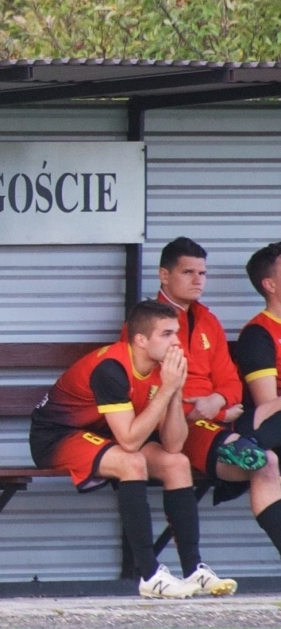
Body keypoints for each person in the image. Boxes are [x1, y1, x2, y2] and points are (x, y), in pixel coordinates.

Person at [30, 301, 231, 598]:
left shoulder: (162, 368)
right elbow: (129, 442)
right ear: (140, 340)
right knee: (132, 461)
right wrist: (166, 389)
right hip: (58, 436)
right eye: (166, 334)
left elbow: (174, 444)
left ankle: (193, 569)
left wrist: (175, 391)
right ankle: (149, 575)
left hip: (108, 433)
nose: (176, 342)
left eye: (176, 333)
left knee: (176, 463)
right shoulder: (111, 368)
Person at [123, 237, 265, 486]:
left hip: (216, 422)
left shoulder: (209, 320)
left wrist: (217, 401)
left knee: (266, 463)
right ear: (164, 275)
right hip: (173, 429)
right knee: (258, 463)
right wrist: (219, 412)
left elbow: (231, 383)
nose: (198, 280)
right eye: (188, 272)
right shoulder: (145, 324)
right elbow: (141, 392)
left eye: (202, 273)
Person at [202, 242, 281, 566]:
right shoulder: (259, 334)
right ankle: (247, 444)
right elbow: (267, 403)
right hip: (266, 425)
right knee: (267, 460)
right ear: (270, 284)